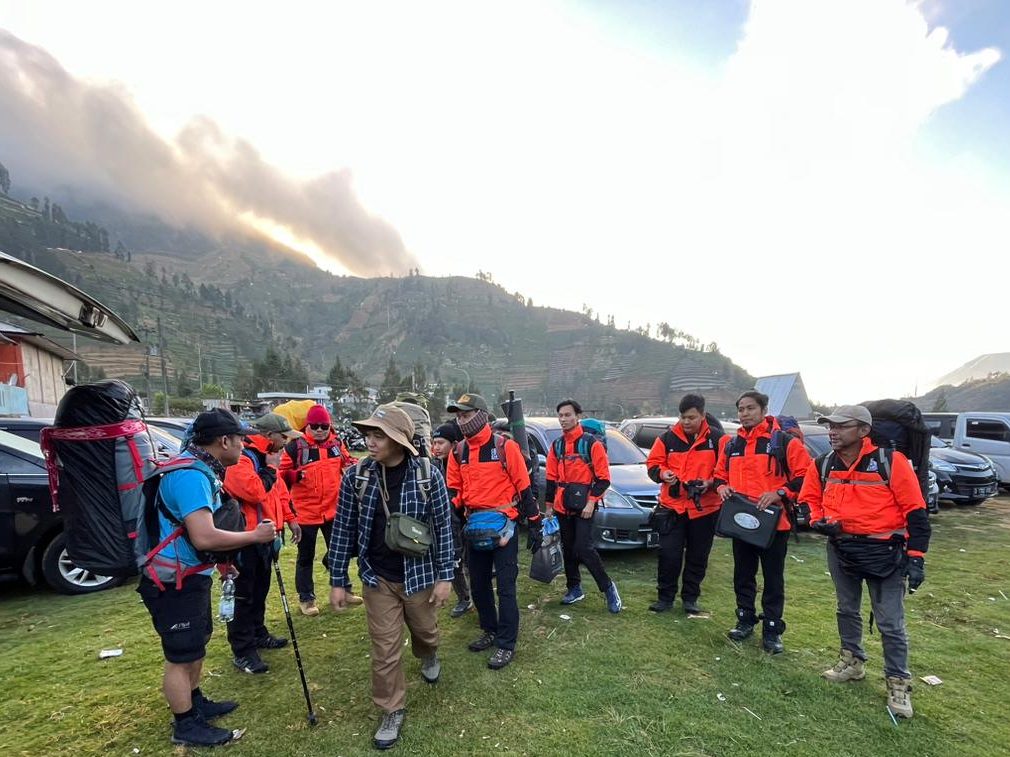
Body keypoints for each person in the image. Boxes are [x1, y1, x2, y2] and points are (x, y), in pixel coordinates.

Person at [137, 409, 278, 748]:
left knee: (195, 645)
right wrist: (254, 537)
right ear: (223, 440)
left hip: (189, 574)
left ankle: (194, 701)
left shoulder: (200, 469)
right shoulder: (190, 476)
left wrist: (222, 564)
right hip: (172, 581)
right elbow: (204, 536)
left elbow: (191, 535)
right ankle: (184, 724)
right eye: (240, 438)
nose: (244, 445)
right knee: (180, 654)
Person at [328, 405, 454, 750]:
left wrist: (446, 576)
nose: (369, 441)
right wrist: (338, 579)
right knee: (385, 650)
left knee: (426, 632)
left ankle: (429, 653)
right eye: (367, 434)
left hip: (421, 575)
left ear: (400, 440)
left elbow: (444, 529)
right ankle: (391, 710)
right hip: (377, 578)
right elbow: (343, 530)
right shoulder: (357, 477)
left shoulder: (428, 475)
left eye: (378, 434)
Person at [797, 405, 930, 719]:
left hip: (885, 552)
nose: (833, 431)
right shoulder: (823, 464)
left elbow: (916, 513)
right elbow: (809, 499)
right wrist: (819, 520)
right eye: (830, 426)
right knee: (846, 608)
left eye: (842, 426)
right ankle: (852, 662)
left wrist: (916, 558)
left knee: (890, 623)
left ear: (863, 431)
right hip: (841, 548)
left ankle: (898, 683)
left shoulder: (890, 463)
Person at [445, 393, 541, 670]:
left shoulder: (504, 447)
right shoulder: (458, 452)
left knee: (507, 588)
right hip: (473, 529)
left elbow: (524, 488)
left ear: (481, 415)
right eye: (458, 416)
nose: (461, 420)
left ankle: (506, 643)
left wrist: (534, 523)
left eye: (466, 414)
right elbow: (455, 491)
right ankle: (489, 629)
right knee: (479, 585)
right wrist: (447, 514)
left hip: (504, 529)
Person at [713, 390, 812, 653]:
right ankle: (744, 619)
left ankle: (772, 629)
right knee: (743, 575)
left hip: (773, 525)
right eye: (741, 409)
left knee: (773, 578)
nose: (744, 414)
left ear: (764, 410)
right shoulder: (732, 445)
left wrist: (780, 493)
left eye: (750, 409)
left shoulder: (784, 442)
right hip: (740, 522)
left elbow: (806, 476)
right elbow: (719, 474)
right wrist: (721, 487)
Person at [222, 413, 301, 674]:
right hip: (244, 538)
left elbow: (278, 493)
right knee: (243, 594)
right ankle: (242, 650)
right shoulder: (243, 457)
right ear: (269, 436)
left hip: (266, 535)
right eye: (283, 436)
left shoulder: (264, 457)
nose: (286, 442)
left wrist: (289, 519)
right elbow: (254, 491)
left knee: (259, 591)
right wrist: (269, 467)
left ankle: (257, 633)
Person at [645, 393, 727, 615]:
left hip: (705, 508)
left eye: (691, 417)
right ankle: (665, 597)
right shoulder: (667, 439)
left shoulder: (719, 440)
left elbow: (725, 472)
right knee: (668, 554)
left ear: (702, 415)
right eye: (683, 417)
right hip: (673, 507)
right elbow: (652, 465)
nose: (686, 422)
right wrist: (664, 474)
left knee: (698, 556)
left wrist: (709, 483)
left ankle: (690, 598)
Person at [278, 403, 361, 615]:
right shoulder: (295, 446)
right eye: (315, 425)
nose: (319, 430)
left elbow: (346, 461)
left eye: (324, 426)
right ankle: (306, 599)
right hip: (305, 512)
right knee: (305, 557)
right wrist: (295, 476)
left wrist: (356, 464)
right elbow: (281, 474)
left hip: (333, 509)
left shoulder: (336, 443)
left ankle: (345, 589)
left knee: (340, 551)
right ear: (307, 425)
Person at [545, 399, 621, 613]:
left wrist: (591, 502)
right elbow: (551, 478)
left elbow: (604, 479)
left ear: (577, 416)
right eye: (560, 415)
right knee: (568, 548)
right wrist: (549, 506)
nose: (563, 419)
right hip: (562, 505)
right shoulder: (557, 445)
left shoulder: (591, 444)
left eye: (568, 415)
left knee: (584, 548)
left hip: (585, 505)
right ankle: (574, 588)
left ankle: (608, 588)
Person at [431, 421, 472, 618]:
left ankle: (478, 597)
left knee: (470, 562)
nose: (436, 447)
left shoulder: (465, 463)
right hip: (447, 523)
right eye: (434, 443)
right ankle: (464, 598)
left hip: (466, 518)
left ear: (454, 444)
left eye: (440, 443)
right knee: (453, 560)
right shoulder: (435, 466)